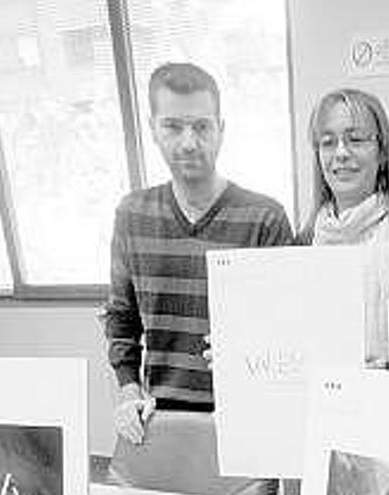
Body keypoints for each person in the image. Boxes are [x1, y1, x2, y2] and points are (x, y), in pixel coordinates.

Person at [101, 62, 293, 446]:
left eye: (202, 126)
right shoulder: (131, 215)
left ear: (221, 131)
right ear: (152, 128)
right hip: (159, 422)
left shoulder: (264, 218)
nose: (189, 142)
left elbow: (287, 330)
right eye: (173, 126)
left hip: (246, 423)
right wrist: (129, 392)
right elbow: (121, 320)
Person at [297, 88, 389, 374]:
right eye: (328, 142)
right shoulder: (302, 243)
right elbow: (286, 336)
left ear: (383, 152)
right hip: (313, 407)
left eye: (356, 140)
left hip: (386, 406)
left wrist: (372, 381)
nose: (341, 153)